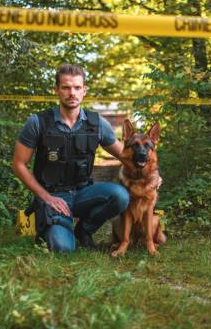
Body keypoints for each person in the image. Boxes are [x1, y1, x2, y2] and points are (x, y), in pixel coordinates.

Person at [12, 64, 128, 253]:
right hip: (52, 195)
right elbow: (18, 164)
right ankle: (50, 225)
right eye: (66, 87)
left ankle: (84, 230)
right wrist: (46, 197)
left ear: (84, 90)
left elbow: (126, 155)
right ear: (57, 90)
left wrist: (154, 174)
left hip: (83, 193)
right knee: (63, 248)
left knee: (120, 196)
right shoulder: (38, 122)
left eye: (76, 87)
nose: (71, 93)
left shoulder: (97, 123)